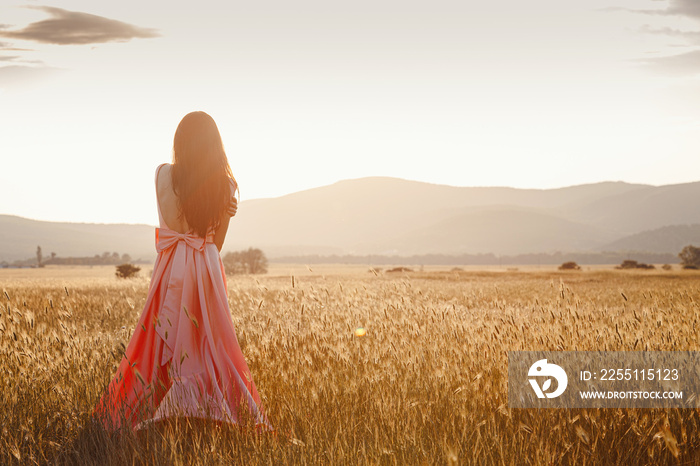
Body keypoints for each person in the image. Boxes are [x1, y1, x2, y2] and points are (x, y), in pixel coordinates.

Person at [93, 111, 271, 432]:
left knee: (158, 335)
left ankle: (156, 402)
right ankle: (202, 405)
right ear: (214, 145)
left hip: (169, 265)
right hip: (204, 268)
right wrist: (225, 210)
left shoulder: (161, 173)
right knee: (209, 339)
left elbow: (169, 217)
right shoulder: (225, 184)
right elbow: (216, 243)